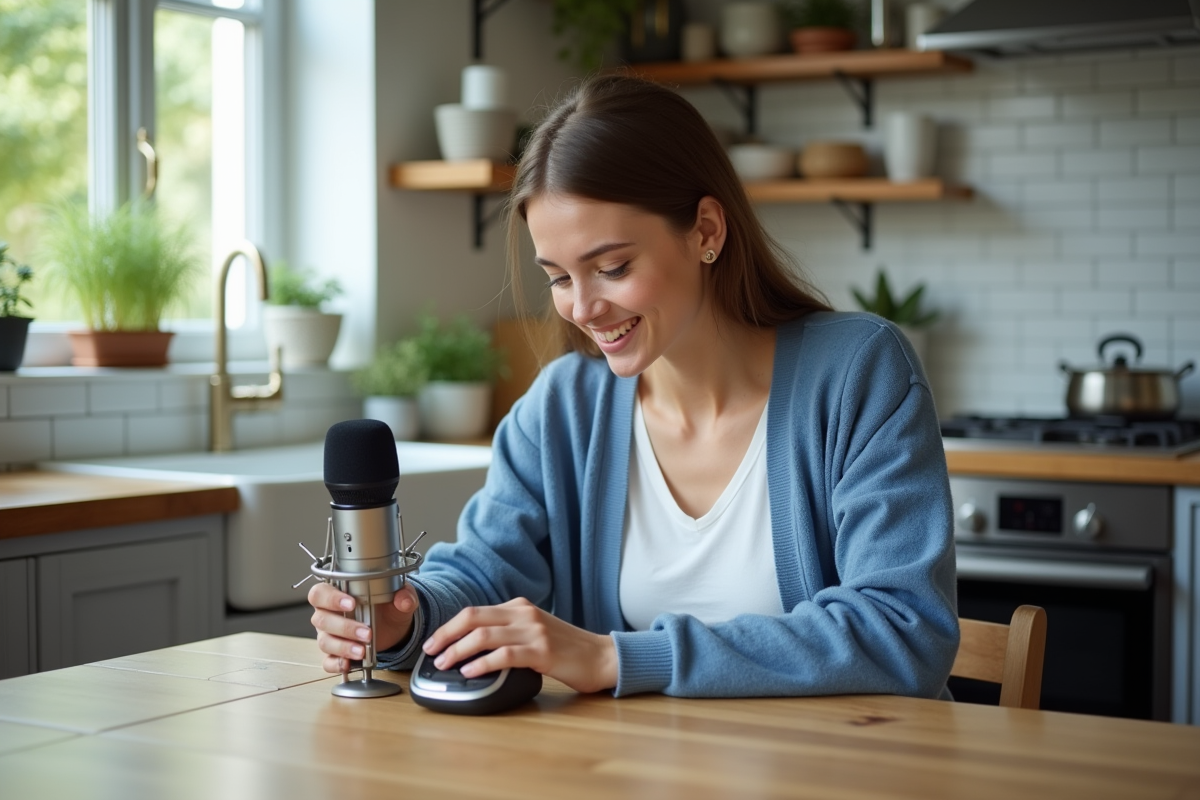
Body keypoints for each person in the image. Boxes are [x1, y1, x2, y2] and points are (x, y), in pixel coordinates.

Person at [309, 75, 959, 699]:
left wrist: (616, 657)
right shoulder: (564, 407)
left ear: (706, 230)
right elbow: (484, 572)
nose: (584, 308)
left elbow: (905, 631)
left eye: (612, 267)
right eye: (559, 278)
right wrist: (405, 618)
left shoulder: (859, 373)